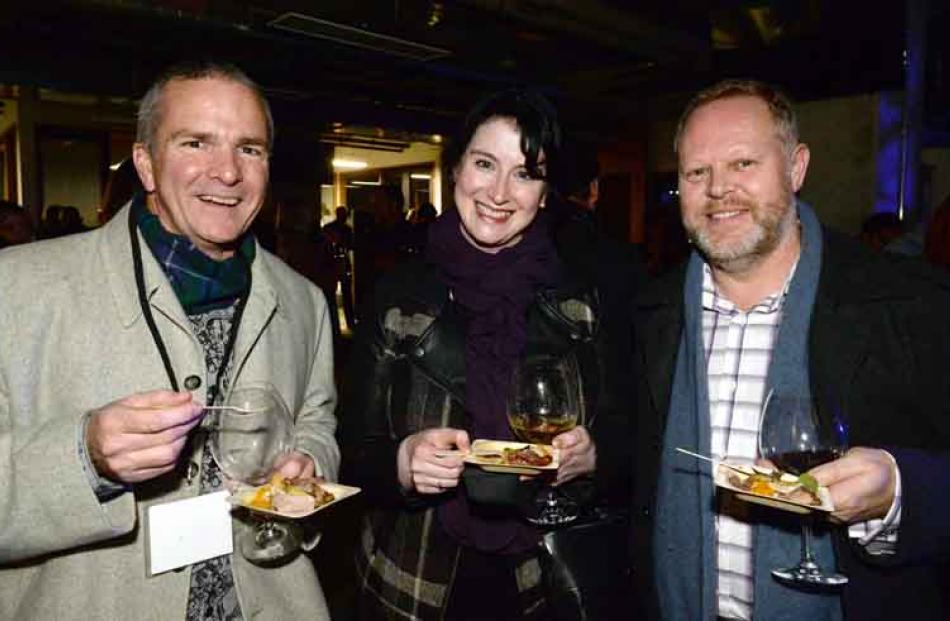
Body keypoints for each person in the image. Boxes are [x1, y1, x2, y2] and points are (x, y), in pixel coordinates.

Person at [0, 61, 339, 620]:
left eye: (249, 149)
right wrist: (84, 457)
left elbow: (316, 420)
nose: (227, 171)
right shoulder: (18, 289)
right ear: (146, 164)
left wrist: (309, 461)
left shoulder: (303, 301)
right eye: (196, 142)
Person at [630, 79, 950, 620]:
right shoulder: (647, 317)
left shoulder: (910, 305)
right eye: (696, 173)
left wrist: (898, 491)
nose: (718, 190)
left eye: (743, 164)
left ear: (797, 168)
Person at [338, 89, 632, 620]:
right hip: (415, 571)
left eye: (524, 173)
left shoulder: (582, 299)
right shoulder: (397, 296)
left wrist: (597, 454)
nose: (499, 192)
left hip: (542, 576)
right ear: (455, 172)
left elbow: (625, 425)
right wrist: (402, 464)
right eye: (484, 164)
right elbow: (353, 448)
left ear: (544, 194)